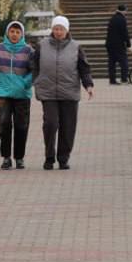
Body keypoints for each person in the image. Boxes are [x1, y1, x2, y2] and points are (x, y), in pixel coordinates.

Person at [31, 15, 93, 170]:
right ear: (52, 29)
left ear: (67, 30)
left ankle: (63, 158)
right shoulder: (42, 45)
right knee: (50, 124)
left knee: (68, 126)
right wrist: (36, 79)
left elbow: (84, 68)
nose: (58, 32)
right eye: (56, 28)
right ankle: (49, 157)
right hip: (48, 91)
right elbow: (33, 64)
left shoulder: (76, 47)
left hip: (69, 92)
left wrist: (88, 85)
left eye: (61, 29)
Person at [0, 20, 34, 170]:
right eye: (12, 31)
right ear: (7, 33)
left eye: (17, 32)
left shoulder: (28, 50)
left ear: (22, 34)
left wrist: (24, 83)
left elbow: (34, 71)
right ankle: (6, 157)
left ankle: (19, 158)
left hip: (22, 95)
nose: (14, 34)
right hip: (3, 94)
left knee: (21, 126)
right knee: (4, 125)